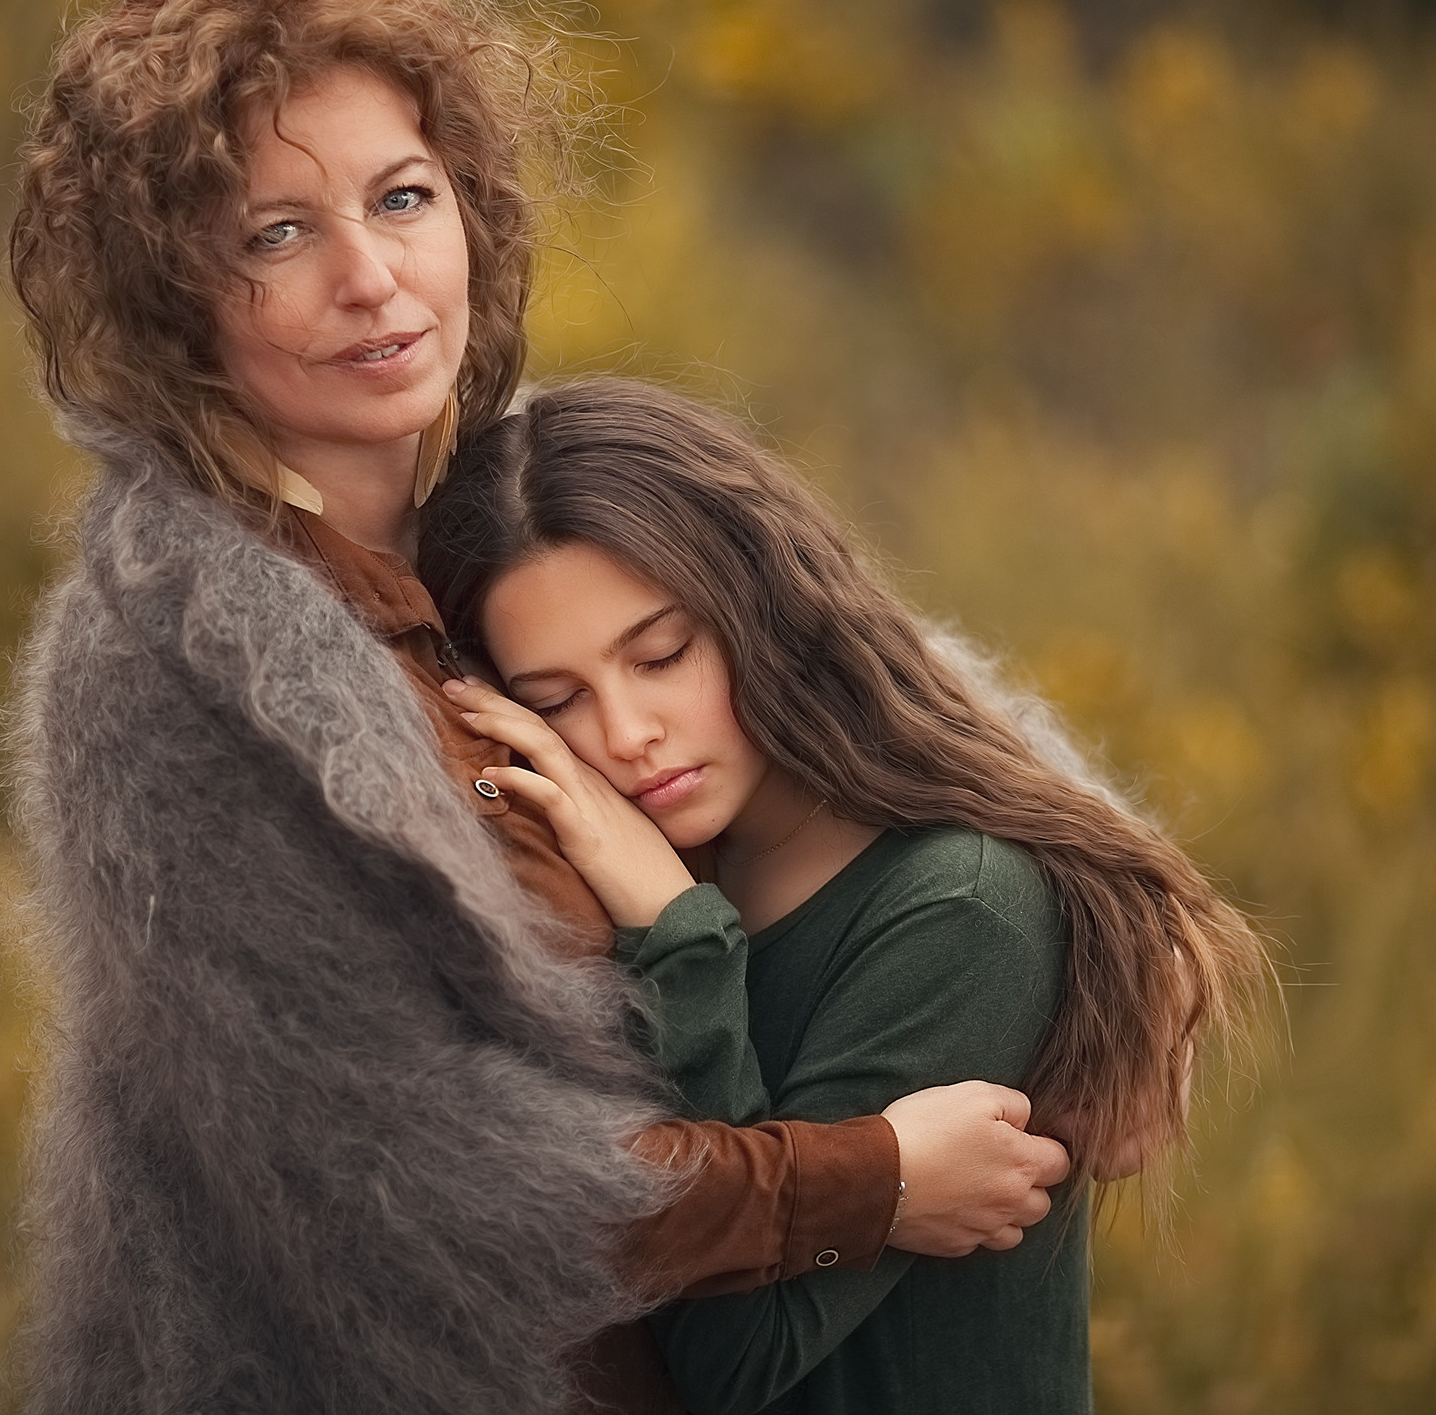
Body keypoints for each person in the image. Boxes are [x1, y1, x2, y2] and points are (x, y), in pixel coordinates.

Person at [0, 0, 1073, 1415]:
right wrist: (861, 1176)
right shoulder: (155, 666)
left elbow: (865, 704)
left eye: (400, 197)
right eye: (275, 232)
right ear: (173, 296)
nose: (368, 276)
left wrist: (1054, 905)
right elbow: (397, 1160)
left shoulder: (508, 514)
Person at [418, 378, 1269, 1415]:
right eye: (556, 701)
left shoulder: (955, 905)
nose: (625, 730)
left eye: (660, 654)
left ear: (759, 611)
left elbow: (737, 1360)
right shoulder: (661, 864)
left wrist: (683, 942)